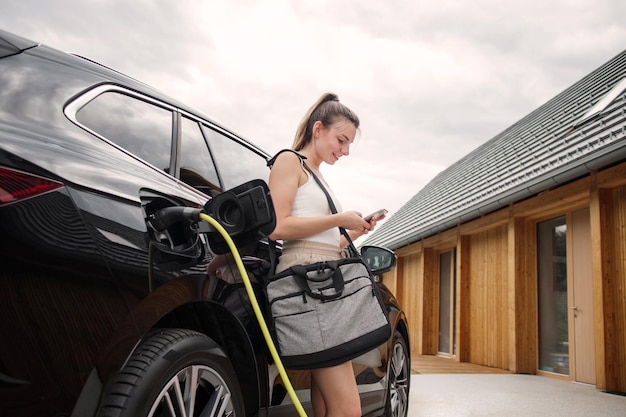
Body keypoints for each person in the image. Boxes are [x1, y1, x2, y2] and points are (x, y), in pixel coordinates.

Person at [268, 92, 384, 417]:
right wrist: (338, 219)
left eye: (348, 145)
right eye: (341, 140)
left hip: (321, 282)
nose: (345, 151)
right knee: (347, 409)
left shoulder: (319, 176)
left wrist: (353, 232)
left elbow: (320, 242)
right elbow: (277, 227)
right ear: (318, 129)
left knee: (324, 404)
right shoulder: (289, 161)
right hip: (309, 288)